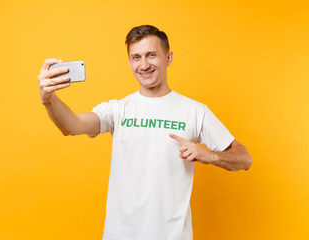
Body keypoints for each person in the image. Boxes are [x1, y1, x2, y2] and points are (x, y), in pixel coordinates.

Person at [37, 25, 252, 240]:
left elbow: (244, 158)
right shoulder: (117, 109)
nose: (144, 65)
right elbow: (72, 126)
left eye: (151, 55)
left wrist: (211, 155)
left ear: (168, 58)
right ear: (130, 62)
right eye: (136, 57)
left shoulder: (195, 111)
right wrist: (49, 100)